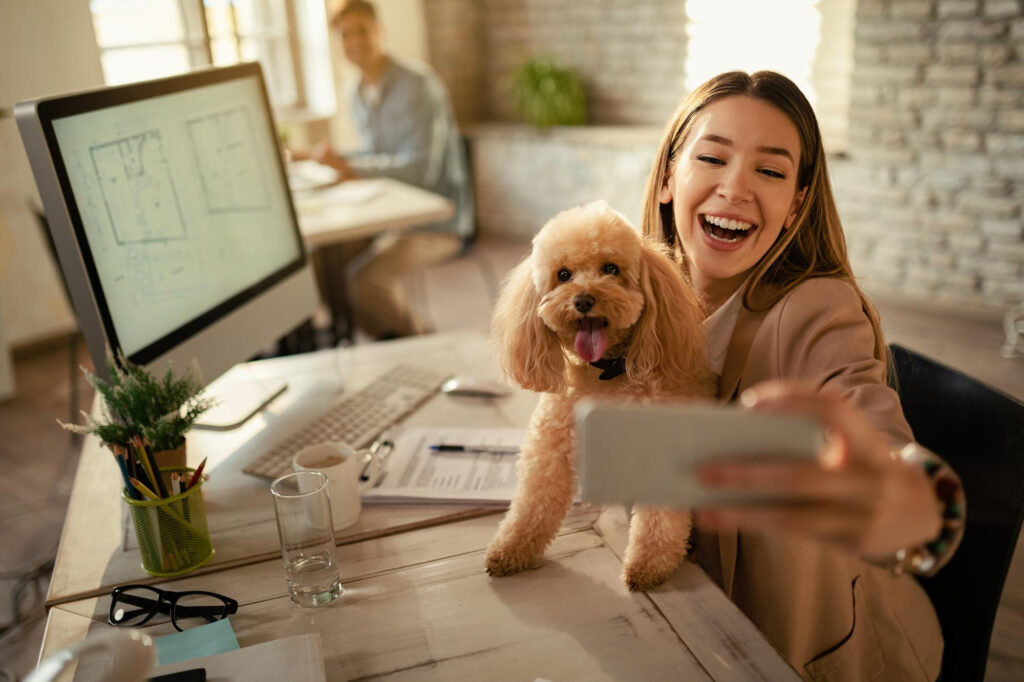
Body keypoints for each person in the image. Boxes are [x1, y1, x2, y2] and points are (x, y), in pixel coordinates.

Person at [640, 71, 964, 681]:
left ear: (795, 205)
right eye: (712, 157)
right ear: (667, 179)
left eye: (770, 170)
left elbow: (906, 491)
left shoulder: (817, 310)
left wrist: (892, 496)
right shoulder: (634, 300)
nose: (734, 189)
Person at [297, 0, 473, 339]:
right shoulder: (357, 91)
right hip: (390, 215)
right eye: (344, 35)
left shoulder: (418, 85)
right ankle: (382, 342)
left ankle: (421, 344)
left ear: (380, 32)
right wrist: (334, 160)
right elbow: (377, 154)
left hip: (438, 221)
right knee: (319, 272)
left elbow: (420, 169)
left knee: (365, 284)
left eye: (362, 31)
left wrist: (351, 167)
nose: (354, 41)